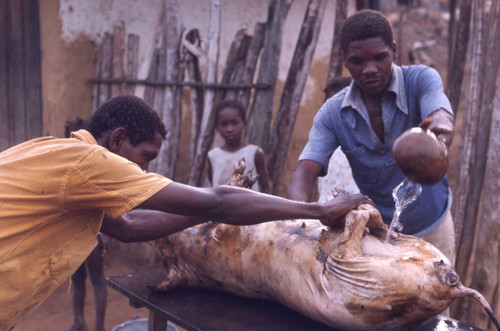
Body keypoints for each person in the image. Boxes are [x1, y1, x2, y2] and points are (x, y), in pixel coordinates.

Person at [0, 95, 371, 330]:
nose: (143, 171)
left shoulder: (51, 150)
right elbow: (216, 199)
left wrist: (209, 214)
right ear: (118, 140)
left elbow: (128, 227)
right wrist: (318, 209)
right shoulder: (91, 161)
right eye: (145, 157)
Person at [288, 10, 456, 263]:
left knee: (436, 301)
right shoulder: (333, 114)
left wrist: (438, 134)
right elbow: (304, 172)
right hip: (378, 236)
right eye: (357, 61)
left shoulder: (420, 80)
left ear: (394, 52)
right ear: (345, 59)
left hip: (433, 228)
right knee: (384, 302)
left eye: (380, 58)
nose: (369, 69)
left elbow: (440, 112)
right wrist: (301, 214)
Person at [64, 119, 109, 331]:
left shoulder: (71, 167)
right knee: (83, 279)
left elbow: (104, 207)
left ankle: (87, 323)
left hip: (90, 235)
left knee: (91, 279)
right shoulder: (93, 166)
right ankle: (82, 322)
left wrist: (105, 237)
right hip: (78, 236)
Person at [207, 99, 271, 193]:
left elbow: (266, 187)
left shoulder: (254, 153)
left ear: (244, 124)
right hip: (222, 207)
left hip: (250, 206)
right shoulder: (212, 156)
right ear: (217, 127)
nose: (229, 129)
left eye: (234, 123)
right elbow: (214, 187)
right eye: (223, 124)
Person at [318, 77, 359, 203]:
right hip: (327, 210)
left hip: (359, 211)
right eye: (328, 105)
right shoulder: (321, 143)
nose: (333, 110)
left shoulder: (363, 142)